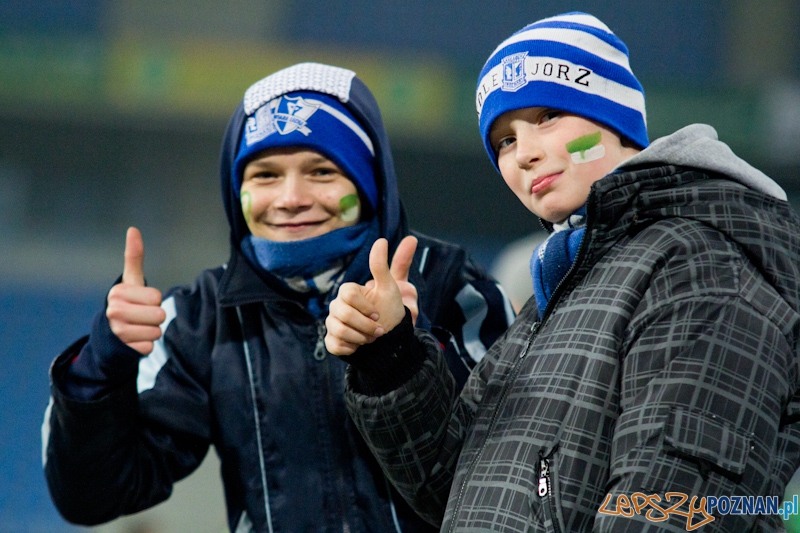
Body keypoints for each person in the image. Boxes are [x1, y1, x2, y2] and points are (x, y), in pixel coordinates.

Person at [324, 12, 800, 532]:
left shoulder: (700, 263)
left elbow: (669, 510)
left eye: (549, 116)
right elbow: (468, 496)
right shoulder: (574, 277)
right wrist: (391, 357)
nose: (525, 153)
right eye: (504, 140)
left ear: (615, 120)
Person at [42, 62, 514, 533]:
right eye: (265, 175)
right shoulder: (198, 316)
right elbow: (92, 498)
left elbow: (509, 474)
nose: (290, 197)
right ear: (236, 190)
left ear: (370, 185)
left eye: (321, 171)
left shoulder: (453, 284)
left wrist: (402, 354)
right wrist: (102, 369)